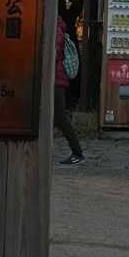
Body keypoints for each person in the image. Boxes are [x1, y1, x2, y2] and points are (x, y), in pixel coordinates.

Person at [55, 11, 84, 165]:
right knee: (56, 116)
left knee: (60, 116)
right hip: (55, 78)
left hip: (55, 78)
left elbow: (54, 53)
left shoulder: (55, 29)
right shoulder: (57, 27)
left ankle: (77, 152)